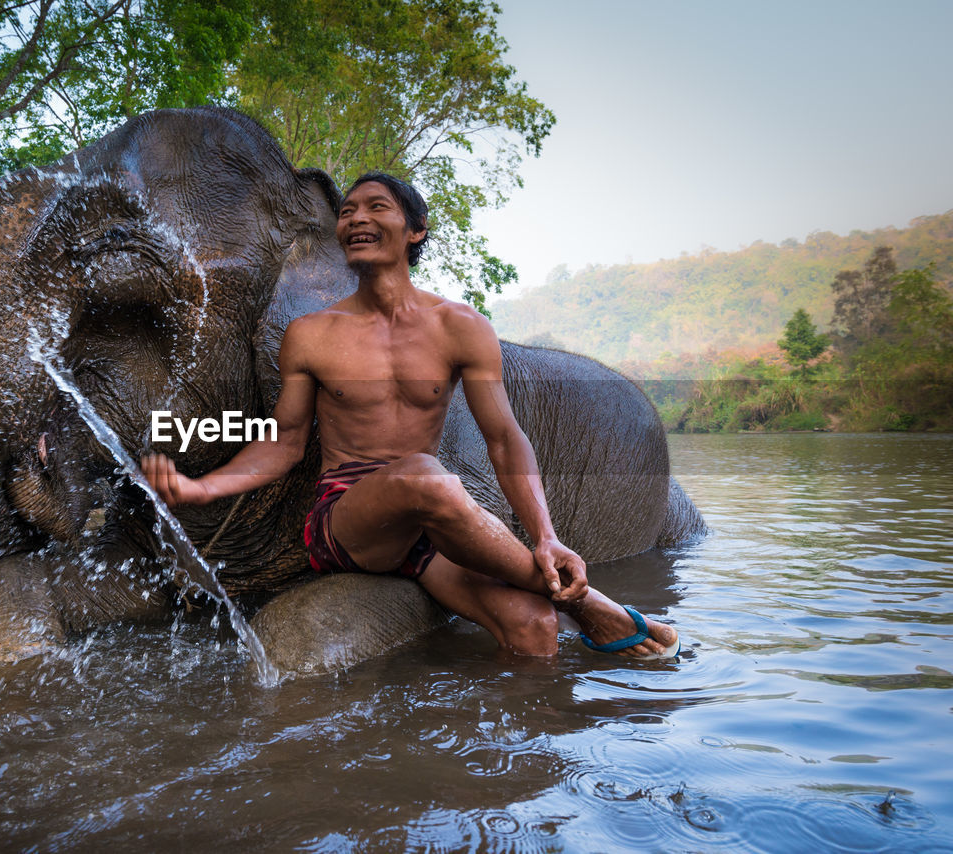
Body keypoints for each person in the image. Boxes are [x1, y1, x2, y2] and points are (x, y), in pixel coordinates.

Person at [141, 172, 679, 659]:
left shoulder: (461, 326)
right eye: (347, 212)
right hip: (349, 519)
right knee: (427, 476)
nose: (355, 218)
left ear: (415, 230)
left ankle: (523, 745)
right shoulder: (311, 334)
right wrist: (202, 489)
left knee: (534, 625)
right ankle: (596, 608)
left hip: (426, 530)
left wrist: (546, 536)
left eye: (376, 207)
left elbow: (504, 438)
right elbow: (284, 443)